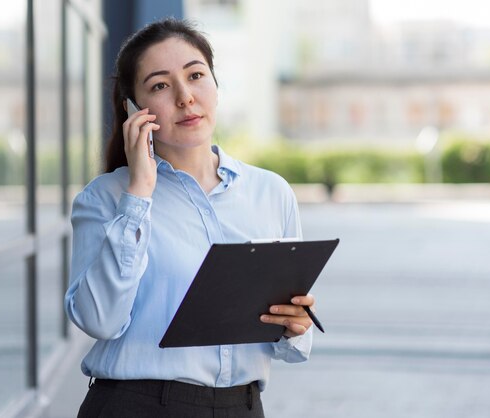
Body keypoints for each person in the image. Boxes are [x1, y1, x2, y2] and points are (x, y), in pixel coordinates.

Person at [65, 17, 317, 418]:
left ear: (216, 85)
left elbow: (286, 341)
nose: (185, 97)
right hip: (136, 406)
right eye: (160, 85)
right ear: (134, 109)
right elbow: (99, 320)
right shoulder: (106, 198)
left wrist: (294, 325)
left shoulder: (271, 193)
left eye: (196, 75)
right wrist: (139, 195)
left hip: (243, 405)